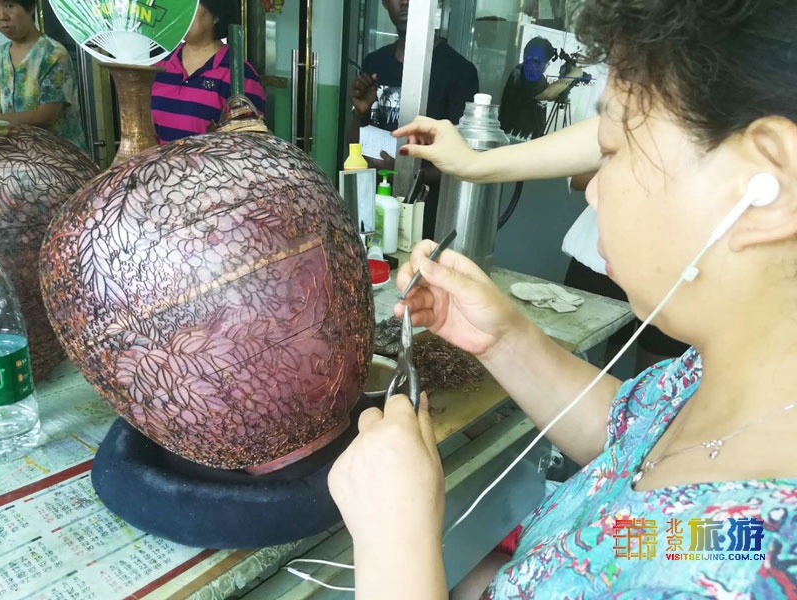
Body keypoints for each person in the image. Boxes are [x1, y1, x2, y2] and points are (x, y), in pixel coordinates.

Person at [328, 1, 797, 597]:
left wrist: (395, 547)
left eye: (612, 149)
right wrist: (505, 341)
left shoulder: (758, 574)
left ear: (766, 187)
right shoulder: (735, 393)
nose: (592, 192)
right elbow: (633, 456)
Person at [348, 0, 478, 236]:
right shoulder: (375, 63)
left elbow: (461, 162)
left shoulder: (459, 71)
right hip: (370, 210)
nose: (406, 2)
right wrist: (360, 112)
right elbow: (354, 147)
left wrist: (405, 173)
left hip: (425, 220)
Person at [151, 0, 266, 144]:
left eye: (190, 6)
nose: (182, 14)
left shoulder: (240, 75)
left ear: (216, 14)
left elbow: (249, 146)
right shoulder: (159, 66)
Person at [0, 0, 86, 151]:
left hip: (58, 155)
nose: (2, 16)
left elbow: (46, 116)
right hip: (17, 154)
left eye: (9, 6)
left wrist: (0, 119)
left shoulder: (52, 53)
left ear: (30, 8)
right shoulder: (0, 56)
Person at [498, 36, 582, 140]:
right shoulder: (525, 74)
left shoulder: (525, 72)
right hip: (516, 139)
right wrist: (574, 74)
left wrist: (561, 85)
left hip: (521, 138)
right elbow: (547, 94)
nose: (548, 64)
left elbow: (545, 94)